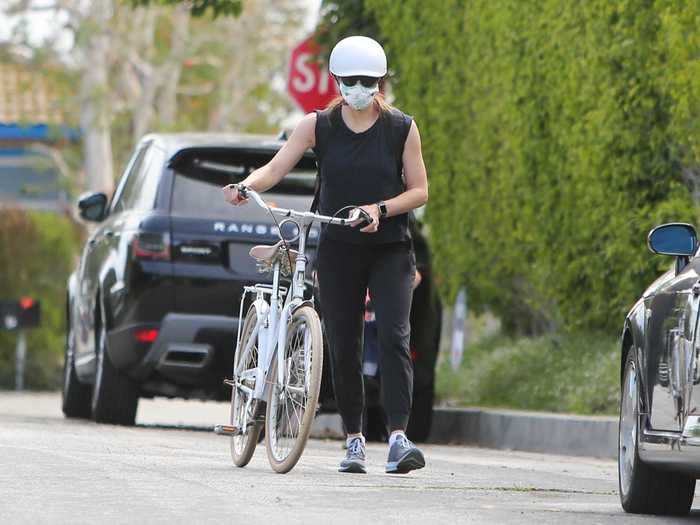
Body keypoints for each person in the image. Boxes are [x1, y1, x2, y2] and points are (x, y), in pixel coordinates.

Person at [223, 35, 429, 475]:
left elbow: (420, 190)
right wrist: (246, 186)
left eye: (368, 80)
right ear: (336, 80)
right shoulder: (317, 125)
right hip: (337, 247)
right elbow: (277, 168)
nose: (359, 88)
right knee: (343, 342)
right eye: (351, 80)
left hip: (390, 248)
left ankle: (398, 438)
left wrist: (380, 210)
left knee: (394, 337)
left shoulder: (401, 128)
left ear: (381, 82)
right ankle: (354, 440)